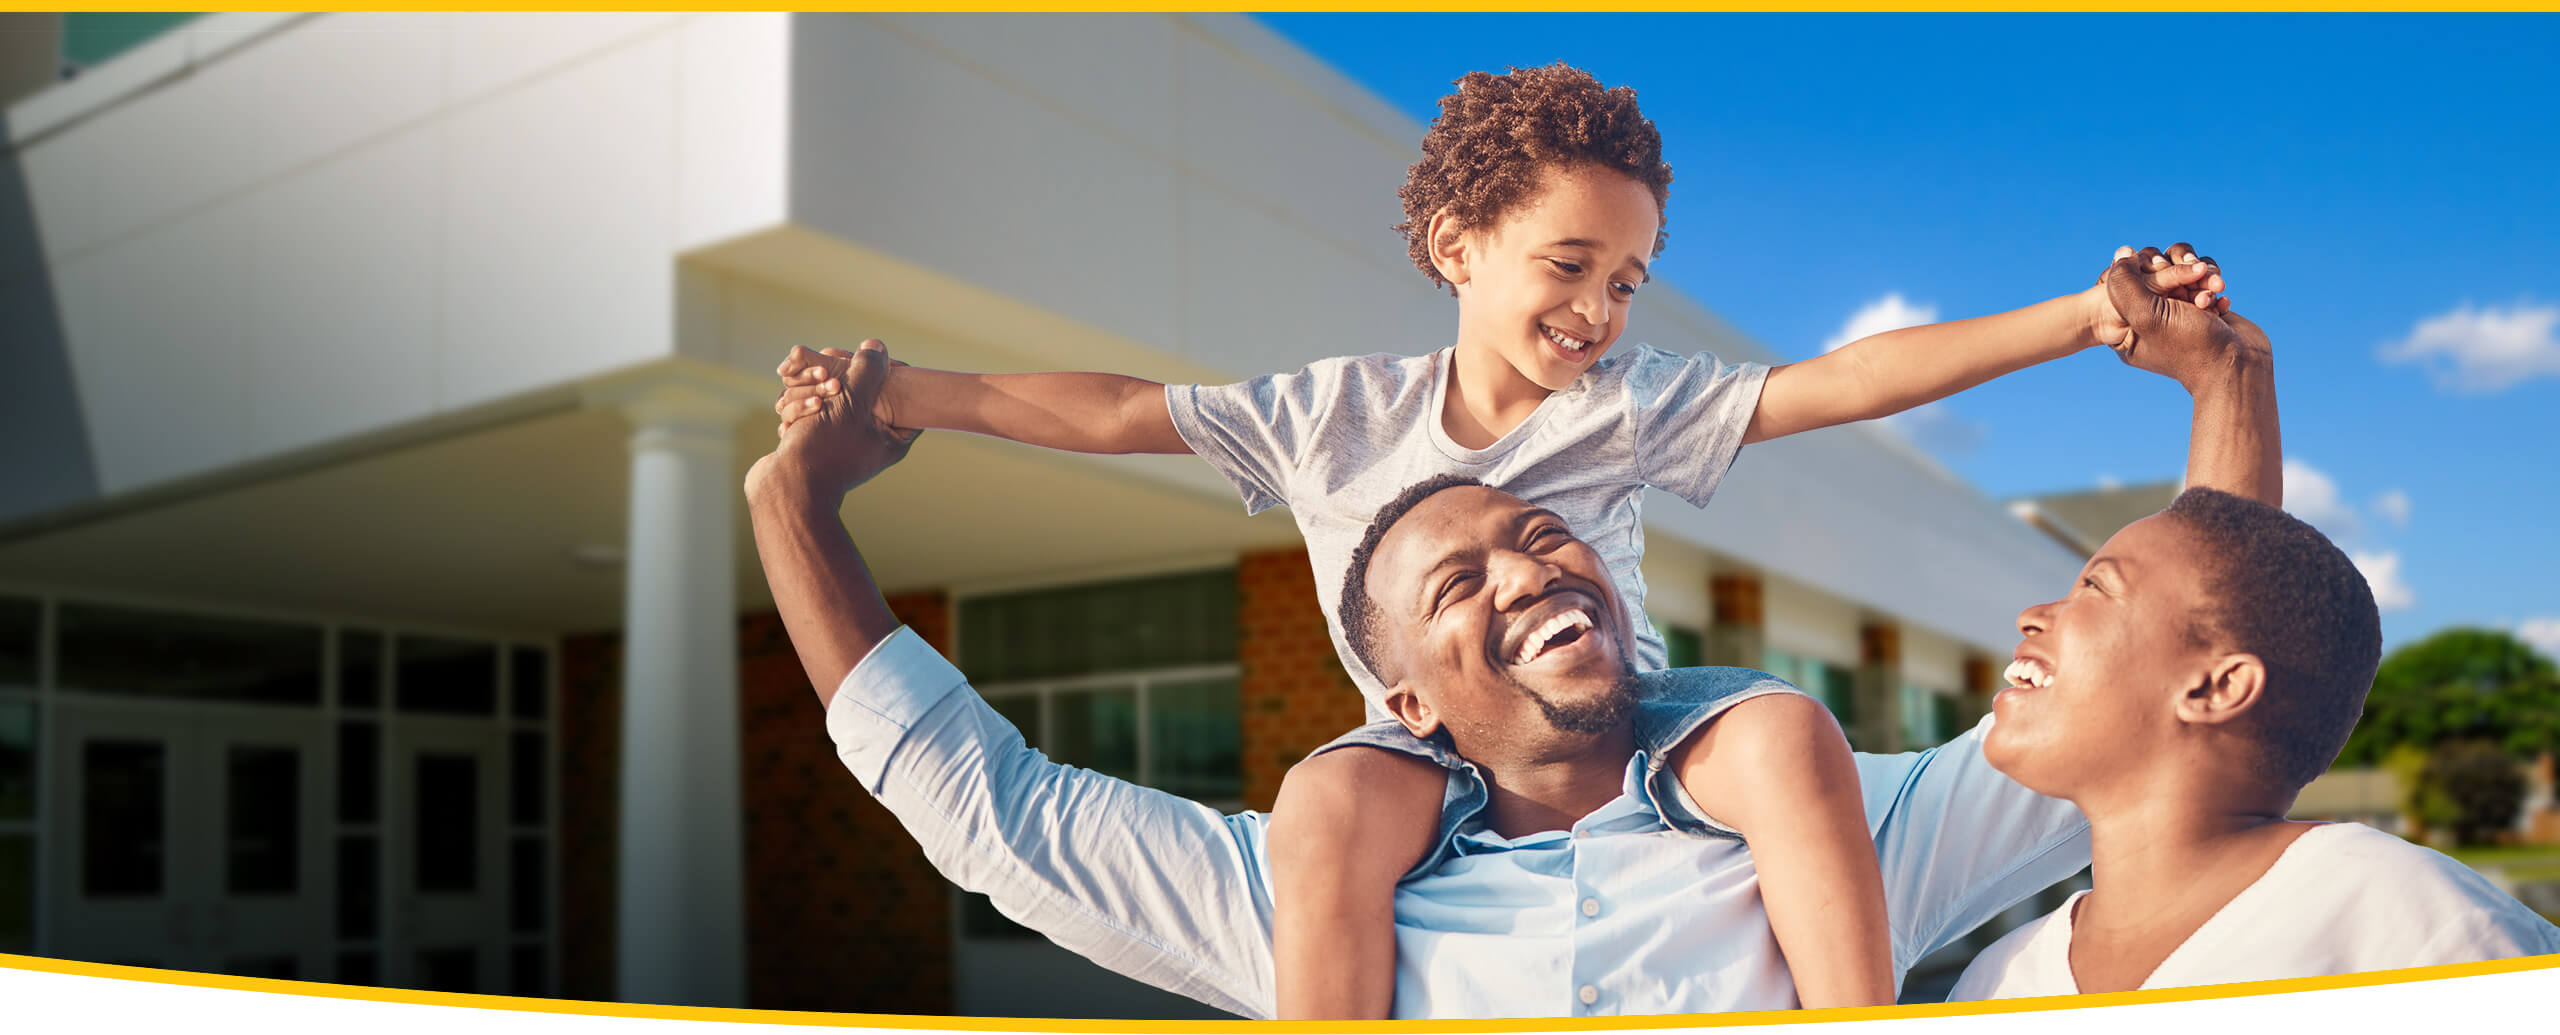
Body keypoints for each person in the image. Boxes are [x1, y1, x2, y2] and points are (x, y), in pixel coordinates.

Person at [763, 64, 2226, 1017]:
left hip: (1645, 720)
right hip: (1419, 752)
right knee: (1326, 817)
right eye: (1571, 265)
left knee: (1785, 736)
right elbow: (1113, 412)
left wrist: (2085, 316)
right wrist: (906, 395)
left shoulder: (1633, 404)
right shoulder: (1331, 414)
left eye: (1633, 280)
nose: (1600, 310)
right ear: (1458, 247)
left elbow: (1845, 379)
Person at [1946, 305, 2560, 999]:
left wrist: (2229, 377)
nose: (2032, 615)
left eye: (2095, 587)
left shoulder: (2414, 925)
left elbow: (2217, 584)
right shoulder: (1998, 978)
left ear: (2216, 687)